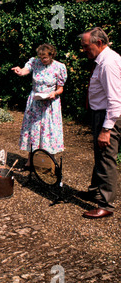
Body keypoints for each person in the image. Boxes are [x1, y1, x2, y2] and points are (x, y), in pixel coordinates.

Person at [79, 27, 121, 219]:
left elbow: (115, 100)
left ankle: (106, 204)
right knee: (100, 154)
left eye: (86, 46)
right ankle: (95, 190)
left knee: (106, 158)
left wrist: (106, 129)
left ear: (99, 43)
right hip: (101, 113)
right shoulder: (102, 60)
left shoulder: (108, 64)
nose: (84, 49)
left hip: (108, 116)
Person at [12, 44, 68, 171]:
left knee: (49, 130)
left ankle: (49, 162)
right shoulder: (35, 62)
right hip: (36, 102)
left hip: (50, 103)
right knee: (34, 129)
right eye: (41, 57)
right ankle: (30, 161)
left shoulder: (59, 67)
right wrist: (20, 71)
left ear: (51, 55)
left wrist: (54, 93)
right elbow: (25, 70)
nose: (42, 60)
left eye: (45, 58)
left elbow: (60, 88)